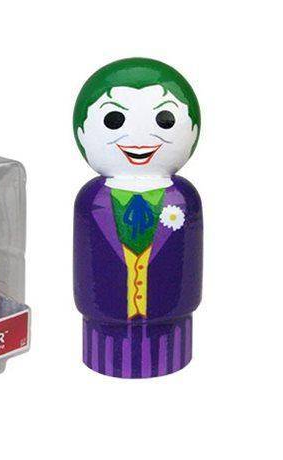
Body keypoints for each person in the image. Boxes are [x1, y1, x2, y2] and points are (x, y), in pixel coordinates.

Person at [73, 58, 203, 378]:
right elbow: (86, 263)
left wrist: (181, 299)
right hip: (101, 323)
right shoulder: (92, 200)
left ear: (192, 129)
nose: (140, 136)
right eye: (114, 119)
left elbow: (188, 264)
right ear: (82, 132)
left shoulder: (183, 198)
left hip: (173, 320)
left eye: (164, 120)